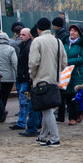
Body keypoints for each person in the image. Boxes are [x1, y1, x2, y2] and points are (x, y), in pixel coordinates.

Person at [28, 17, 67, 147]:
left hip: (41, 79)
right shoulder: (58, 41)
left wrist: (33, 76)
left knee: (47, 110)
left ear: (38, 29)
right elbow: (64, 63)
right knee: (47, 108)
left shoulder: (37, 41)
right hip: (54, 79)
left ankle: (55, 138)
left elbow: (33, 62)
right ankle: (43, 136)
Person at [61, 23, 83, 125]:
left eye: (75, 31)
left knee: (77, 95)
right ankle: (72, 117)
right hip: (65, 73)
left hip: (77, 73)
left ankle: (79, 113)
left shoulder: (82, 44)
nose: (72, 32)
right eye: (71, 30)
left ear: (79, 33)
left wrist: (69, 61)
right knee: (68, 95)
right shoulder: (64, 43)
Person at [0, 32, 17, 123]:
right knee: (4, 96)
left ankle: (1, 112)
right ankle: (1, 116)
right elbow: (14, 63)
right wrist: (17, 74)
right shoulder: (11, 49)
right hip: (9, 78)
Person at [11, 28, 32, 131]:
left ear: (29, 35)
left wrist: (26, 77)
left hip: (25, 79)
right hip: (22, 78)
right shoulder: (22, 46)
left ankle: (22, 122)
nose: (21, 36)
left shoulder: (28, 47)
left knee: (24, 101)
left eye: (23, 34)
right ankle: (22, 121)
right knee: (23, 100)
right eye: (20, 34)